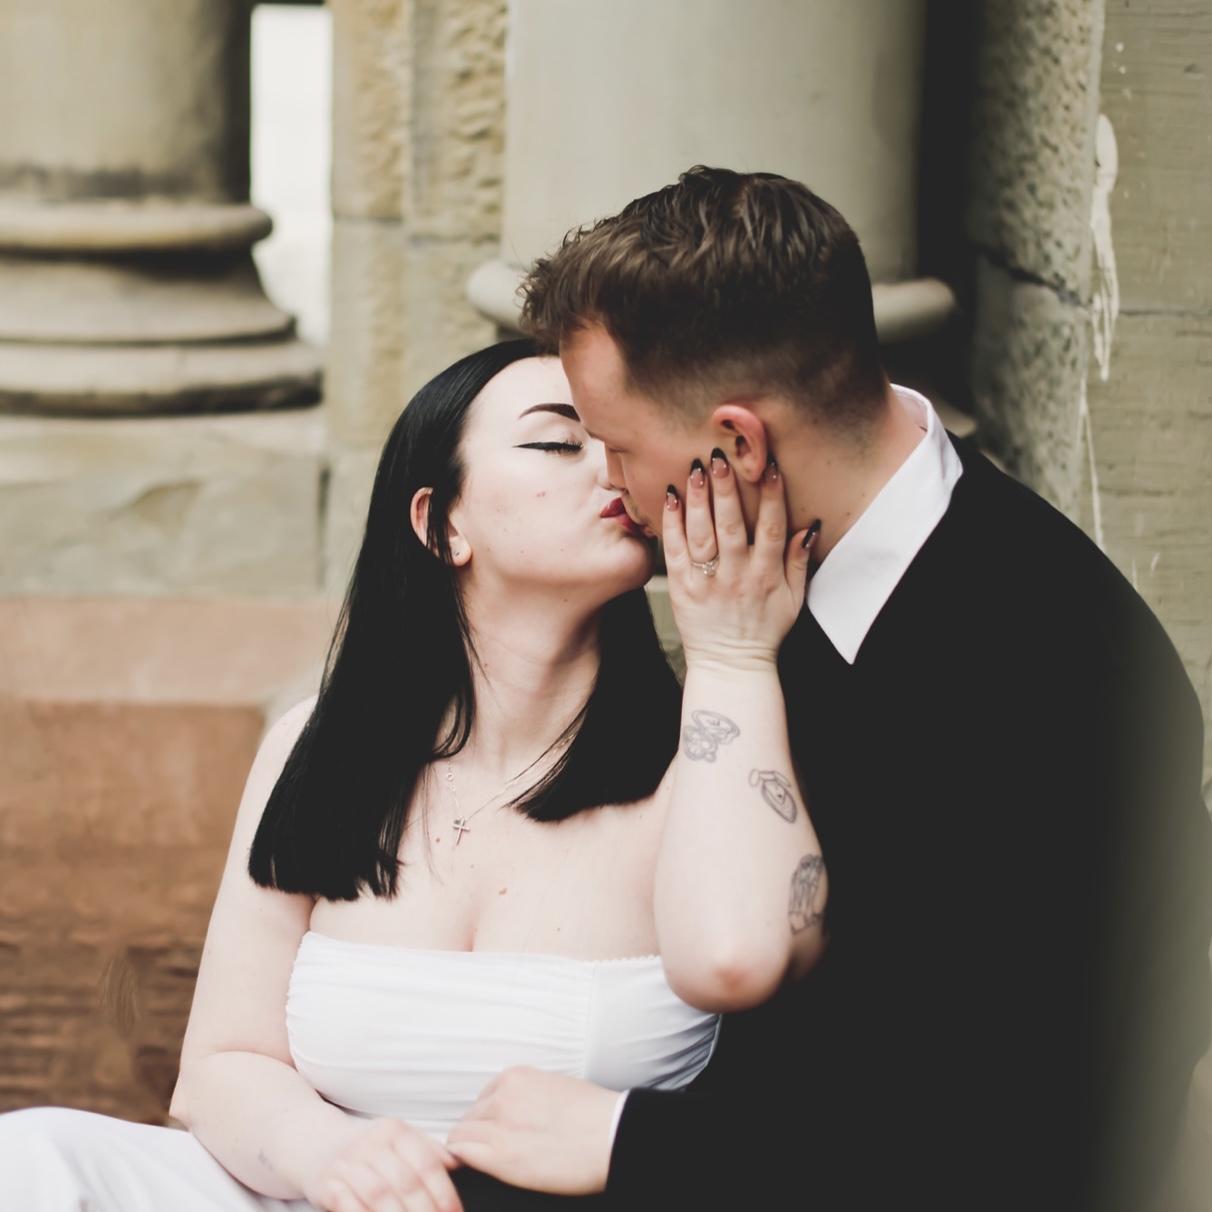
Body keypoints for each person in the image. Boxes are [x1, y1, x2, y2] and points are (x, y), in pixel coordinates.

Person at [435, 167, 1212, 1212]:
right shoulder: (782, 574)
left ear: (737, 442)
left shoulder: (1050, 670)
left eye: (618, 447)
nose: (610, 485)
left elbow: (1003, 1126)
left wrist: (626, 1139)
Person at [0, 338, 828, 1212]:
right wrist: (327, 1151)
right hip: (315, 1195)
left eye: (618, 444)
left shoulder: (710, 758)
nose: (611, 471)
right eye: (559, 443)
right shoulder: (317, 747)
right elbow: (220, 1068)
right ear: (441, 524)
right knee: (31, 1157)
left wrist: (732, 654)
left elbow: (759, 982)